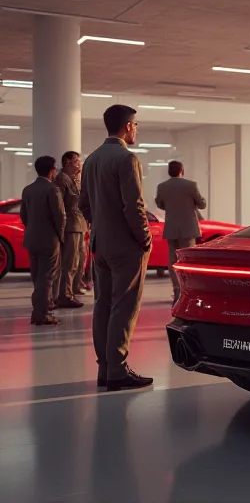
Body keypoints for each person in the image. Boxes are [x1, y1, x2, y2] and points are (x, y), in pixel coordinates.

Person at [79, 104, 154, 391]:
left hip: (100, 244)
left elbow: (84, 204)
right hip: (126, 247)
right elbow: (133, 206)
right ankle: (118, 371)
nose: (136, 130)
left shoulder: (92, 159)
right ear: (128, 126)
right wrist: (144, 238)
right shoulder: (126, 159)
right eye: (136, 125)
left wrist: (99, 226)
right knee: (124, 307)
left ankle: (105, 369)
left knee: (103, 306)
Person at [20, 156, 65, 326]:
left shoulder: (28, 190)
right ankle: (42, 314)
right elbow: (60, 217)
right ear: (52, 170)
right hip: (49, 240)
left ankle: (38, 311)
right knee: (46, 278)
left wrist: (32, 229)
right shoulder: (52, 190)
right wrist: (60, 237)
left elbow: (23, 215)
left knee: (37, 277)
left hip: (32, 239)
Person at [155, 160, 207, 305]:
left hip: (171, 228)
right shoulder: (191, 185)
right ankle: (188, 290)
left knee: (173, 262)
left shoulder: (162, 186)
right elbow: (202, 204)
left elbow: (160, 204)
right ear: (181, 170)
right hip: (188, 229)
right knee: (188, 261)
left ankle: (177, 289)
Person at [52, 151, 86, 309]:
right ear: (67, 163)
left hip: (78, 224)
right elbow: (61, 205)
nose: (79, 164)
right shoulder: (62, 179)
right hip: (70, 226)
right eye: (76, 161)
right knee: (69, 262)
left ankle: (71, 290)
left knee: (77, 261)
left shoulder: (73, 179)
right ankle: (64, 295)